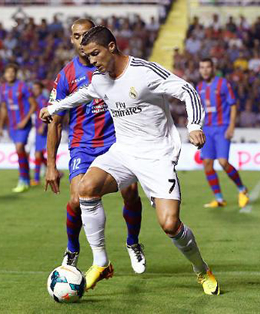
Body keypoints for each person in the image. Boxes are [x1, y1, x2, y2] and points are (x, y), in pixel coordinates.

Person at [41, 26, 219, 295]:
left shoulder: (145, 72)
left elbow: (187, 90)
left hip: (156, 156)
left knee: (170, 225)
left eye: (95, 54)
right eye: (87, 57)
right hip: (123, 152)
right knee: (85, 189)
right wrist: (54, 107)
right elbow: (84, 95)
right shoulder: (100, 78)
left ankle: (201, 269)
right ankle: (101, 263)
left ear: (111, 47)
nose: (92, 61)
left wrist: (195, 125)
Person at [45, 19, 146, 275]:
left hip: (117, 142)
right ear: (71, 39)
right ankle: (72, 249)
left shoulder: (113, 67)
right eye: (76, 36)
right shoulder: (66, 75)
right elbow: (55, 123)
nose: (81, 41)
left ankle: (133, 243)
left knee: (131, 193)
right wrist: (50, 166)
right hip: (83, 146)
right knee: (77, 199)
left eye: (85, 35)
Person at [197, 58, 249, 209]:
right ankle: (219, 198)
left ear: (213, 68)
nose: (205, 70)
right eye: (202, 67)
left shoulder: (223, 83)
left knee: (223, 162)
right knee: (207, 163)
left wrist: (231, 126)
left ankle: (242, 189)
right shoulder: (199, 86)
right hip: (206, 128)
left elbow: (233, 105)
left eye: (207, 67)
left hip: (222, 127)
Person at [0, 63, 37, 193]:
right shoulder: (2, 88)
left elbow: (33, 104)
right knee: (21, 152)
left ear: (15, 73)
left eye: (12, 72)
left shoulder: (22, 86)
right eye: (8, 72)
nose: (10, 74)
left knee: (19, 147)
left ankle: (22, 179)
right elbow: (3, 108)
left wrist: (25, 120)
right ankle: (26, 179)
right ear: (4, 74)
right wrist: (1, 125)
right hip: (12, 125)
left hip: (23, 124)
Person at [31, 81, 48, 186]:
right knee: (39, 154)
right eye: (34, 88)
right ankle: (57, 172)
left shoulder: (43, 100)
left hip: (42, 130)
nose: (35, 90)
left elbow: (47, 114)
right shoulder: (36, 100)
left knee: (37, 154)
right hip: (37, 129)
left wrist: (43, 126)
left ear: (41, 89)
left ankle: (36, 179)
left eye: (36, 88)